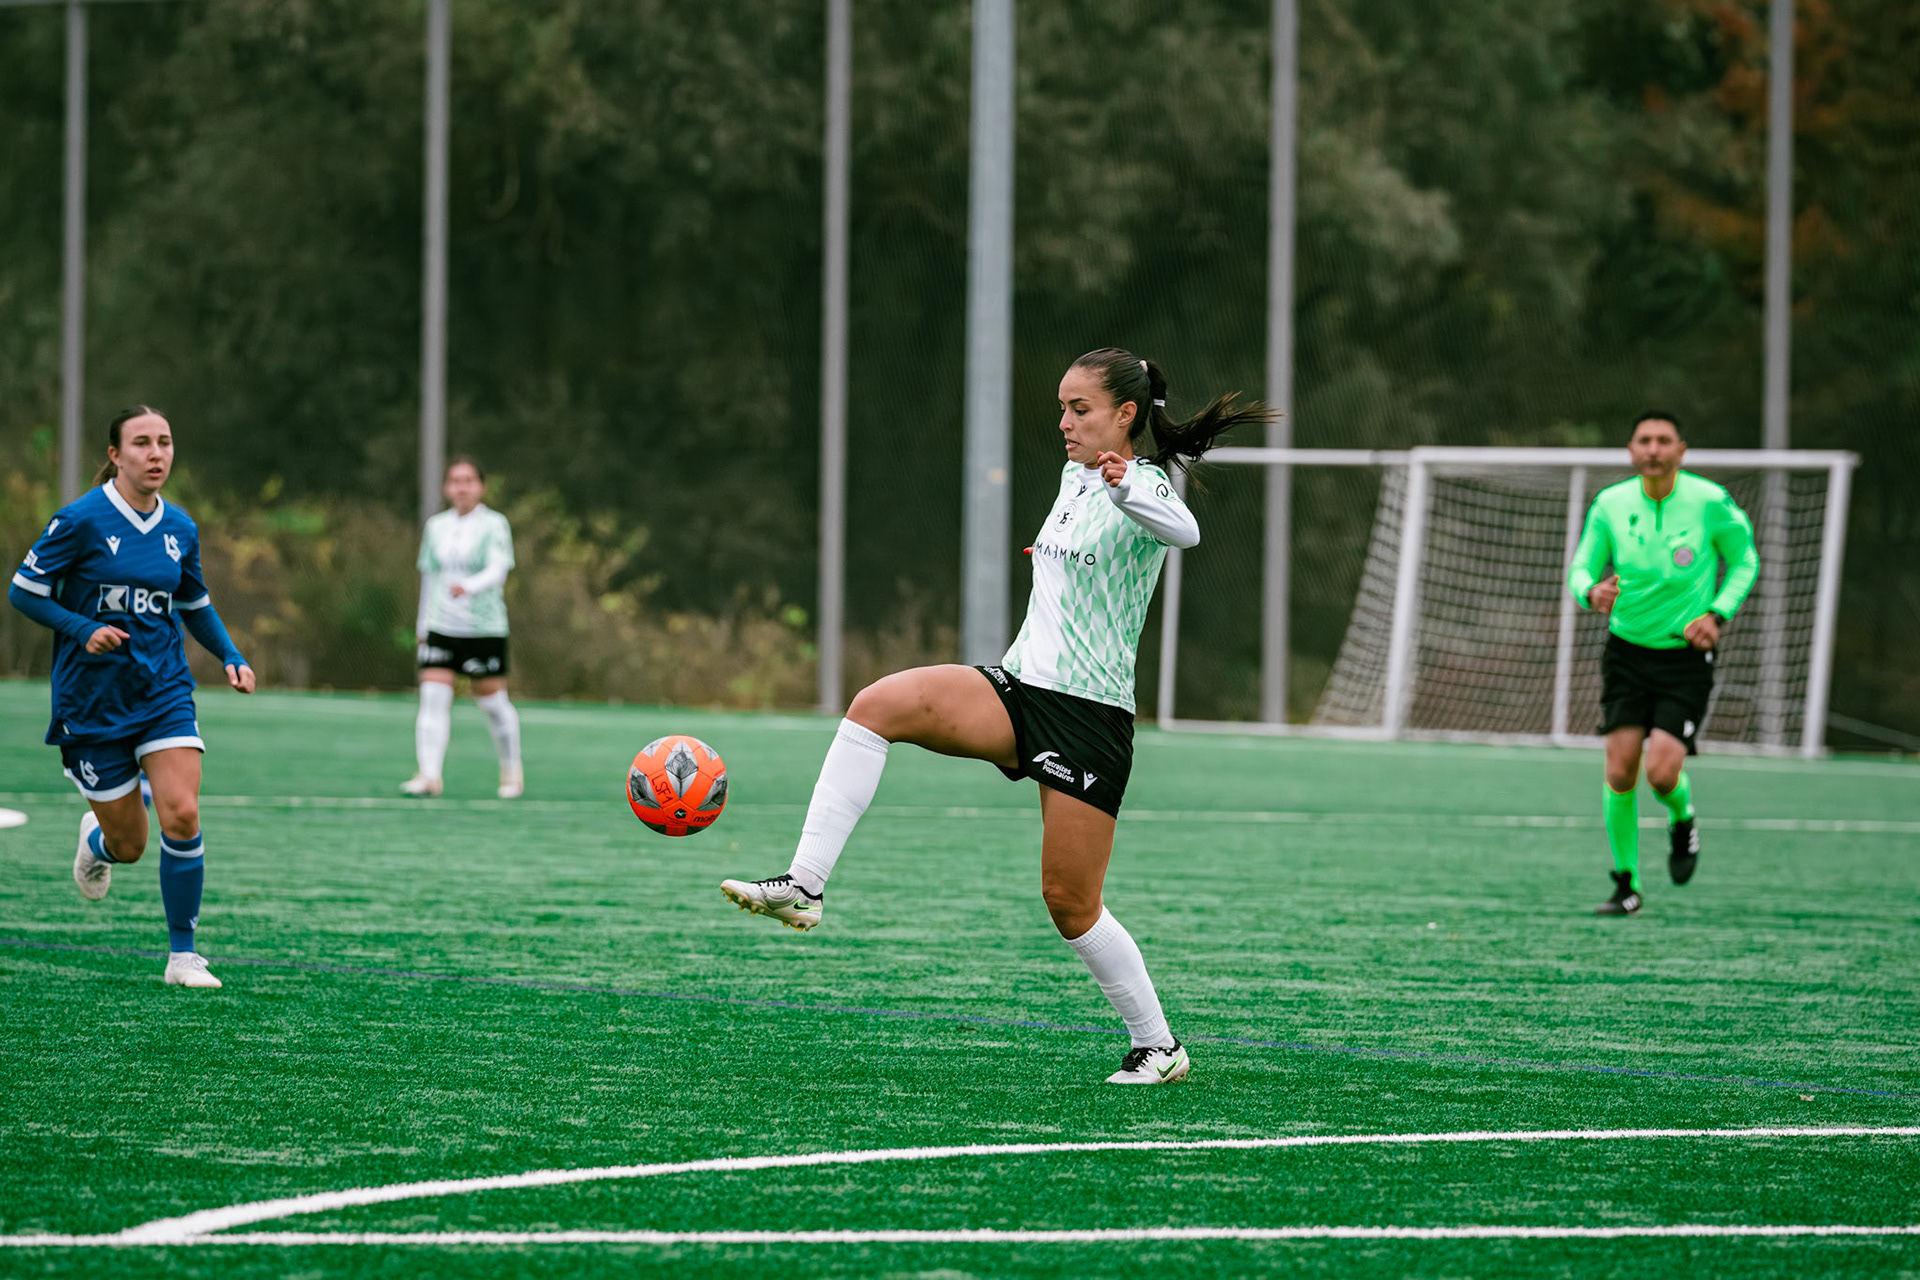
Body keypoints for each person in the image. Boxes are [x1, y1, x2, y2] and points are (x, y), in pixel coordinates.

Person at [721, 348, 1272, 1084]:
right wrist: (1095, 475)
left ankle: (1158, 1046)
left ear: (1126, 416)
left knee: (1070, 903)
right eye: (1063, 407)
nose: (1064, 422)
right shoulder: (1076, 473)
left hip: (1088, 717)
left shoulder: (1140, 486)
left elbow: (1184, 532)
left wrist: (1125, 487)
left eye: (1080, 409)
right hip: (1019, 689)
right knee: (876, 704)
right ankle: (805, 885)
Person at [8, 406, 255, 988]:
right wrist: (81, 628)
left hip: (163, 690)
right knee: (130, 843)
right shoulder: (80, 520)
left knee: (182, 811)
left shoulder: (181, 529)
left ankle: (182, 956)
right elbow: (24, 592)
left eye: (165, 442)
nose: (156, 454)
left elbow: (193, 603)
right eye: (141, 443)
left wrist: (231, 654)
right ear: (115, 455)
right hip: (91, 701)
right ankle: (96, 840)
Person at [1567, 412, 1758, 916]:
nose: (1653, 449)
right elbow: (1582, 566)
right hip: (1626, 654)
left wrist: (1718, 613)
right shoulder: (1610, 504)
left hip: (1684, 658)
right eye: (1644, 441)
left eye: (1663, 441)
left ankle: (1683, 820)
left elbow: (1745, 561)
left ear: (1681, 450)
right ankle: (1626, 884)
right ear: (1631, 451)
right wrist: (1590, 590)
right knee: (1621, 769)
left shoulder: (1710, 502)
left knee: (1660, 773)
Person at [402, 457, 523, 799]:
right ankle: (429, 775)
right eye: (455, 480)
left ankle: (511, 771)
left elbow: (498, 570)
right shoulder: (436, 526)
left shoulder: (495, 524)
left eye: (468, 480)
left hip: (483, 630)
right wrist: (423, 624)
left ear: (480, 487)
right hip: (441, 627)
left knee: (493, 704)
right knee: (432, 697)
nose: (461, 487)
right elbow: (429, 576)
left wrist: (468, 586)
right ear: (446, 487)